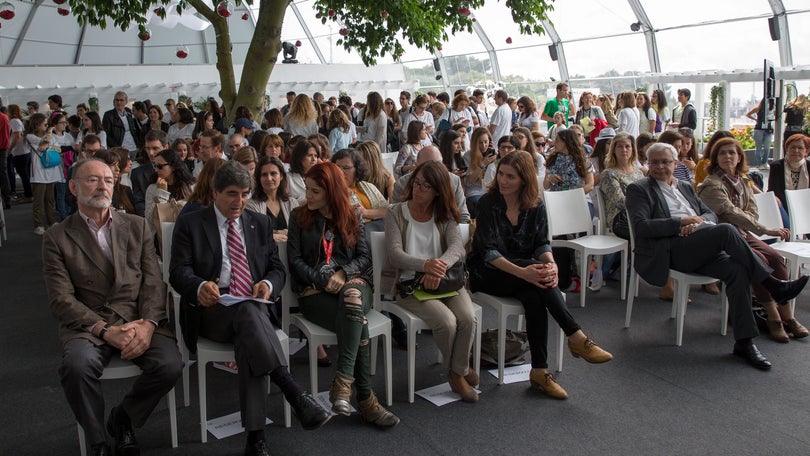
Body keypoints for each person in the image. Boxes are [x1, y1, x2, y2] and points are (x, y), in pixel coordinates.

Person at [170, 162, 330, 456]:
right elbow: (178, 271)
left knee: (249, 331)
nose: (239, 202)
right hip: (212, 309)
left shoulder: (259, 223)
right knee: (249, 316)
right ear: (215, 192)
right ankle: (292, 391)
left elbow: (276, 267)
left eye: (245, 194)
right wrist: (199, 286)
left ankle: (256, 441)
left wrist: (268, 284)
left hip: (252, 309)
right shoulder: (192, 222)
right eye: (232, 194)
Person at [625, 143, 809, 370]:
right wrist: (680, 223)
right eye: (654, 162)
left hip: (701, 242)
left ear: (675, 163)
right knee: (726, 229)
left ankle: (744, 343)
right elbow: (642, 227)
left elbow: (708, 211)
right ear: (648, 163)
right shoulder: (639, 189)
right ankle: (772, 284)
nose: (660, 167)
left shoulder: (685, 186)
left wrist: (699, 221)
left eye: (665, 162)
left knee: (737, 270)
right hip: (672, 249)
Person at [43, 158, 183, 456]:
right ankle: (98, 443)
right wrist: (105, 331)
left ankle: (122, 420)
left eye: (108, 179)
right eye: (92, 179)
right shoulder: (58, 236)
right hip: (89, 324)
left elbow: (153, 282)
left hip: (136, 318)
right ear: (73, 187)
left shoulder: (136, 225)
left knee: (170, 365)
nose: (102, 186)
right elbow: (61, 299)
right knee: (77, 368)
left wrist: (148, 324)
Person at [469, 151, 612, 399]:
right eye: (501, 174)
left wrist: (552, 265)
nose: (502, 180)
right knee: (538, 277)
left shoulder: (534, 205)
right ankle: (575, 336)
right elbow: (487, 252)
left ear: (524, 180)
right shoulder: (488, 203)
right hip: (489, 272)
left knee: (535, 296)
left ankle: (539, 371)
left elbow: (541, 245)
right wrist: (525, 272)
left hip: (526, 273)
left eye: (510, 177)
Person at [286, 162, 400, 429]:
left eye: (315, 191)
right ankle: (365, 399)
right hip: (314, 292)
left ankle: (343, 381)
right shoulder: (298, 217)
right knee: (357, 321)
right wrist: (323, 279)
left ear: (331, 191)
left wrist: (341, 273)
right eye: (307, 189)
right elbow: (295, 261)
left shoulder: (352, 215)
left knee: (352, 297)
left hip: (354, 283)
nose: (308, 196)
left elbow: (363, 257)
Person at [697, 137, 808, 342]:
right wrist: (767, 230)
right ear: (715, 158)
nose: (728, 156)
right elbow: (731, 213)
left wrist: (752, 224)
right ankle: (774, 317)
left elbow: (752, 211)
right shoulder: (711, 184)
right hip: (724, 237)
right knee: (761, 261)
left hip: (744, 233)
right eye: (722, 153)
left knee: (776, 259)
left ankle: (788, 317)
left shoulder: (743, 180)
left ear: (740, 157)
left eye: (732, 152)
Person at [385, 161, 478, 402]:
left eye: (426, 185)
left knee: (468, 318)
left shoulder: (444, 213)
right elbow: (395, 255)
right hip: (409, 284)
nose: (418, 189)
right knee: (446, 322)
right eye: (416, 183)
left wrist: (438, 268)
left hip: (445, 280)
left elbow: (458, 247)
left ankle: (458, 369)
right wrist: (425, 265)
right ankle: (457, 373)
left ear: (438, 190)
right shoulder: (395, 212)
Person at [331, 148, 388, 233]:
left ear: (357, 169)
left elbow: (388, 211)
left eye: (346, 168)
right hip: (354, 235)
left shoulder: (368, 186)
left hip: (379, 231)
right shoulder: (331, 190)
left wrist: (365, 212)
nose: (341, 172)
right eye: (337, 167)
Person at [246, 156, 298, 243]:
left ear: (281, 176)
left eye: (273, 173)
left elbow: (297, 233)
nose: (269, 178)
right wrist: (284, 232)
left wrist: (272, 233)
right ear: (259, 178)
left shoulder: (292, 203)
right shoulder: (251, 205)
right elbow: (254, 234)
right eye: (264, 175)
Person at [26, 113, 63, 234]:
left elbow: (58, 149)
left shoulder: (49, 136)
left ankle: (51, 221)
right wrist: (48, 136)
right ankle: (38, 224)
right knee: (38, 200)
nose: (47, 126)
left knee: (50, 199)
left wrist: (48, 144)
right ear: (37, 125)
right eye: (45, 124)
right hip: (38, 173)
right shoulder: (30, 136)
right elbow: (41, 146)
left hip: (51, 171)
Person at [144, 148, 193, 236]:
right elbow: (149, 219)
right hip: (161, 235)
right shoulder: (152, 188)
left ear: (173, 166)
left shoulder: (190, 186)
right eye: (155, 166)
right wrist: (162, 193)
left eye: (160, 166)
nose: (156, 170)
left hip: (185, 233)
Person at [767, 134, 810, 223]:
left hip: (806, 206)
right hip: (784, 206)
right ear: (787, 149)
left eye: (800, 148)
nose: (796, 151)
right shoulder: (777, 166)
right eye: (792, 147)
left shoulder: (809, 166)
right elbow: (772, 190)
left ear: (807, 151)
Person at [131, 129, 168, 216]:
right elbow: (139, 203)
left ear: (166, 147)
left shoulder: (178, 169)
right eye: (147, 148)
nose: (151, 153)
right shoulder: (137, 173)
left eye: (155, 148)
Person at [287, 139, 320, 204]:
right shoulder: (287, 178)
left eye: (315, 156)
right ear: (299, 157)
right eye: (309, 155)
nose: (314, 159)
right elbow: (285, 203)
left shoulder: (320, 176)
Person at [746, 99, 773, 169]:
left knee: (767, 148)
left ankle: (765, 162)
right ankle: (759, 163)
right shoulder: (758, 109)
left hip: (768, 130)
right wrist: (755, 119)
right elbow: (748, 114)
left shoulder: (771, 109)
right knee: (759, 147)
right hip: (759, 129)